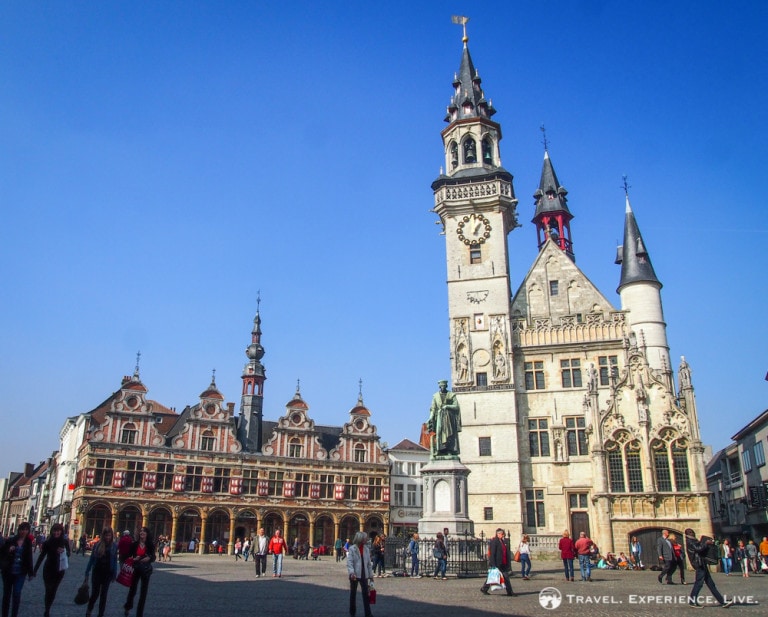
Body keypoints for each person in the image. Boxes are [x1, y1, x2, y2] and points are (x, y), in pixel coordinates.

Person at [685, 528, 733, 608]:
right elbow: (698, 549)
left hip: (702, 563)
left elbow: (699, 547)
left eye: (692, 531)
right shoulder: (690, 541)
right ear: (687, 534)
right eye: (690, 532)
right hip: (699, 564)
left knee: (711, 584)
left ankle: (722, 601)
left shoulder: (694, 540)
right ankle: (692, 602)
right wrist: (706, 543)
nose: (692, 533)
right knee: (698, 583)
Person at [33, 523, 70, 617]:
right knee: (48, 590)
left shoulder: (64, 541)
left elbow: (69, 553)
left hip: (59, 570)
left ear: (61, 531)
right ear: (52, 531)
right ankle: (47, 609)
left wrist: (64, 551)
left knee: (53, 591)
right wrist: (35, 569)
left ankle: (48, 608)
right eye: (55, 530)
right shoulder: (48, 542)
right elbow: (42, 556)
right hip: (49, 569)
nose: (57, 532)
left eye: (58, 531)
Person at [0, 521, 35, 617]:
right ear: (19, 530)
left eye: (26, 530)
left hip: (20, 572)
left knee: (16, 593)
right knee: (6, 595)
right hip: (8, 571)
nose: (24, 531)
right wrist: (8, 550)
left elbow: (29, 558)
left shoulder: (28, 543)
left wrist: (31, 572)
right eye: (22, 529)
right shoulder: (11, 540)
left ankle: (14, 614)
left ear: (28, 531)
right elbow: (2, 552)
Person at [84, 527, 118, 617]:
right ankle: (89, 609)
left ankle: (101, 614)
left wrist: (114, 573)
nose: (108, 537)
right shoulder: (98, 545)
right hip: (97, 572)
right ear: (103, 536)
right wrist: (87, 571)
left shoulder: (114, 546)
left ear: (112, 536)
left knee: (104, 595)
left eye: (109, 535)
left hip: (107, 573)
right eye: (106, 535)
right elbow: (92, 559)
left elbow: (114, 560)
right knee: (95, 593)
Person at [123, 526, 156, 617]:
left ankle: (139, 613)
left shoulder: (150, 544)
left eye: (144, 531)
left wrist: (149, 558)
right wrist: (134, 558)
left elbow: (153, 557)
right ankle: (128, 606)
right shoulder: (134, 544)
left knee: (143, 592)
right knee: (132, 589)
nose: (142, 532)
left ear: (147, 534)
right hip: (135, 568)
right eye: (141, 531)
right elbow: (129, 556)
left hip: (145, 570)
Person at [427, 380, 461, 457]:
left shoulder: (451, 395)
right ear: (439, 387)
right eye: (441, 386)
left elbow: (456, 406)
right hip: (440, 416)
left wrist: (447, 406)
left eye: (444, 386)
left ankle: (449, 450)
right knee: (439, 432)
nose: (442, 387)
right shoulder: (435, 396)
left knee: (450, 434)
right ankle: (440, 450)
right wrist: (430, 417)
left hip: (449, 417)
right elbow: (433, 408)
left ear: (446, 386)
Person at [346, 531, 373, 617]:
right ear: (360, 539)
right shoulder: (352, 549)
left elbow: (369, 563)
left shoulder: (366, 549)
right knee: (353, 594)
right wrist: (351, 572)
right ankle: (352, 612)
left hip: (364, 574)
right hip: (354, 574)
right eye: (365, 538)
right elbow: (349, 562)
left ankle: (368, 613)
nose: (366, 539)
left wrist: (371, 575)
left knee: (366, 594)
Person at [480, 528, 513, 596]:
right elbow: (492, 553)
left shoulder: (502, 541)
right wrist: (493, 564)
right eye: (502, 534)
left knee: (502, 577)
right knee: (495, 576)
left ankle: (484, 588)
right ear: (498, 534)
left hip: (503, 562)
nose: (503, 535)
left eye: (503, 534)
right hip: (497, 563)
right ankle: (510, 592)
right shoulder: (494, 541)